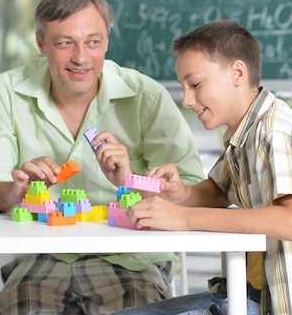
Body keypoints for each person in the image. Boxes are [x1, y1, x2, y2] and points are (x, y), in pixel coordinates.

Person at [0, 0, 206, 315]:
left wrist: (129, 180)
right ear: (41, 43)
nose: (81, 57)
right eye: (64, 43)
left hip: (130, 258)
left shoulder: (145, 95)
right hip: (39, 256)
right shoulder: (7, 91)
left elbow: (190, 188)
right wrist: (14, 189)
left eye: (93, 42)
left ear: (106, 41)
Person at [110, 20, 292, 315]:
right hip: (248, 291)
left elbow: (288, 221)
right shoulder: (242, 133)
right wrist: (180, 193)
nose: (186, 99)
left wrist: (184, 218)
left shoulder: (273, 131)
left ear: (237, 73)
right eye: (183, 87)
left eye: (195, 85)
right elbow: (219, 192)